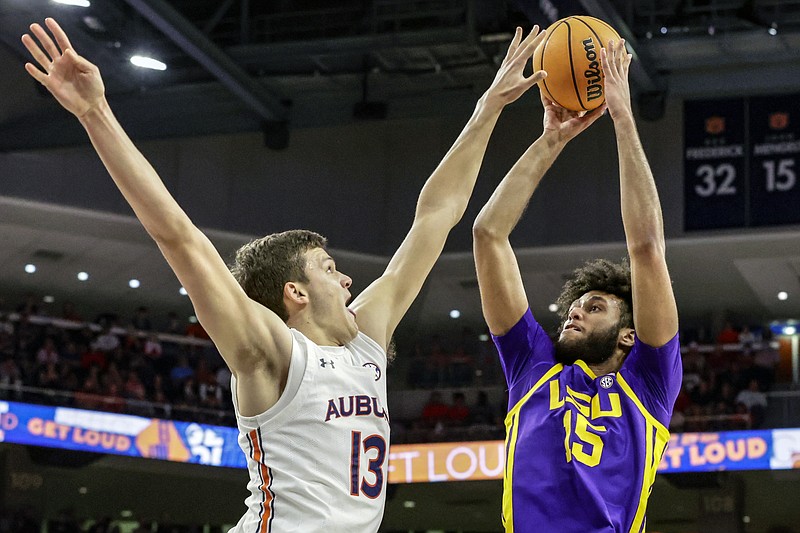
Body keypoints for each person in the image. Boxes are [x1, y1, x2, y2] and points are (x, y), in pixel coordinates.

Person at [22, 18, 548, 532]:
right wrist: (96, 112)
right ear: (294, 293)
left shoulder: (365, 340)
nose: (347, 282)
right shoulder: (271, 352)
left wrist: (489, 108)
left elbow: (437, 215)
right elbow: (178, 236)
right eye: (330, 269)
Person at [472, 39, 681, 532]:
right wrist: (551, 141)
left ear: (629, 334)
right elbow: (488, 234)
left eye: (595, 306)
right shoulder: (533, 366)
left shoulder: (649, 384)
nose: (575, 313)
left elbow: (647, 247)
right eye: (576, 305)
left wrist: (624, 120)